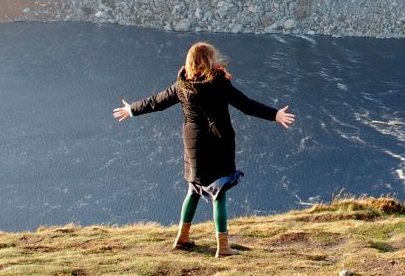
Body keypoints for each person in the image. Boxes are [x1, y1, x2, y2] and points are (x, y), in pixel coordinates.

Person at [113, 41, 296, 257]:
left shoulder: (182, 84)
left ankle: (182, 238)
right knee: (219, 193)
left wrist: (131, 110)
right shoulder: (218, 83)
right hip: (217, 143)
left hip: (193, 144)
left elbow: (156, 102)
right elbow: (245, 105)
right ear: (207, 61)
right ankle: (223, 247)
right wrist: (275, 114)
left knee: (194, 189)